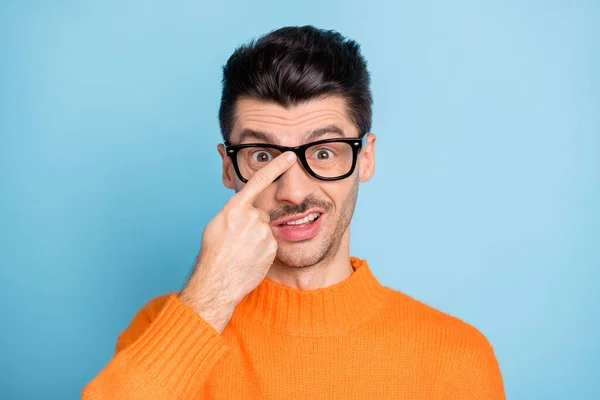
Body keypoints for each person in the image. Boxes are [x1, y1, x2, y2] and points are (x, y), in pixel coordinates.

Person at [82, 25, 505, 399]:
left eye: (323, 152)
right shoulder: (166, 328)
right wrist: (208, 301)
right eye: (263, 156)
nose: (293, 190)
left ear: (366, 158)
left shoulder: (457, 358)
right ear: (229, 167)